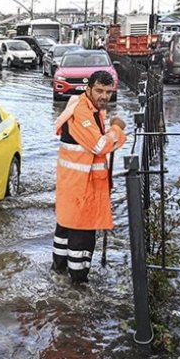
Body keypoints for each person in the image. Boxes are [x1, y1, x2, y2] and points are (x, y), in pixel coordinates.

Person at [52, 70, 127, 284]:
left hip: (74, 183)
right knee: (81, 236)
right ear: (88, 89)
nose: (104, 96)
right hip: (80, 186)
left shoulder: (88, 107)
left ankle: (59, 274)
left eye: (108, 92)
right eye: (99, 91)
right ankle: (77, 286)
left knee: (66, 228)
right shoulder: (83, 113)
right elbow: (99, 146)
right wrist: (117, 129)